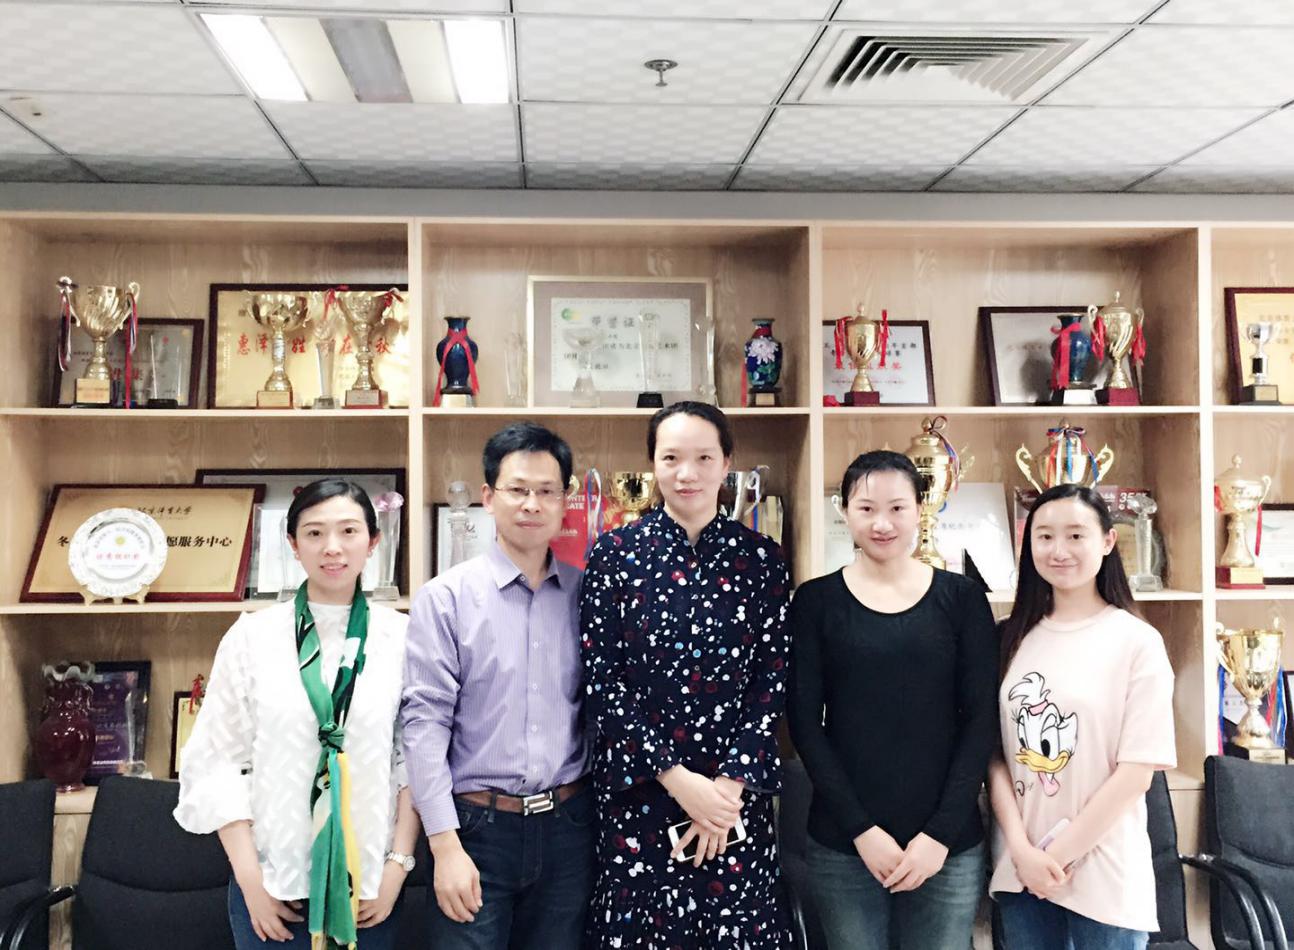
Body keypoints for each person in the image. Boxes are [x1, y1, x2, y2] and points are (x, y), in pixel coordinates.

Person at [580, 400, 793, 949]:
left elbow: (771, 681)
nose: (686, 473)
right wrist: (678, 780)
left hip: (732, 801)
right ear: (653, 463)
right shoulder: (614, 555)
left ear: (727, 464)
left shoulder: (762, 559)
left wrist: (724, 792)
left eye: (703, 457)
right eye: (671, 458)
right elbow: (603, 682)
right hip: (641, 794)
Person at [175, 479, 416, 949]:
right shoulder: (252, 637)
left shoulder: (402, 638)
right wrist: (251, 883)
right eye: (314, 533)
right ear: (292, 543)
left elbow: (413, 759)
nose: (332, 547)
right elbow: (218, 762)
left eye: (349, 531)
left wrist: (397, 867)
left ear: (373, 541)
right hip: (272, 888)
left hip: (369, 890)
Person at [787, 449, 998, 950]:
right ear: (844, 511)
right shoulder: (815, 602)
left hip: (947, 847)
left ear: (920, 509)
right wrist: (861, 830)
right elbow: (804, 724)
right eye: (866, 508)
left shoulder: (962, 599)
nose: (882, 523)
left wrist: (939, 835)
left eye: (897, 508)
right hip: (844, 844)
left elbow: (980, 720)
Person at [402, 421, 594, 949]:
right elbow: (423, 726)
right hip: (476, 830)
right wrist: (444, 845)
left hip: (569, 828)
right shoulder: (446, 598)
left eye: (547, 491)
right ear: (488, 497)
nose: (532, 504)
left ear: (565, 501)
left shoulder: (587, 596)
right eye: (517, 489)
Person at [989, 483, 1176, 950]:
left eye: (1076, 535)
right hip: (1021, 872)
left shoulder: (1137, 641)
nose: (1059, 550)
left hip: (1105, 876)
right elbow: (995, 758)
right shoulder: (1009, 637)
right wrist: (1022, 852)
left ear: (1108, 541)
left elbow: (1136, 774)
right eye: (1045, 536)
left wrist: (1056, 856)